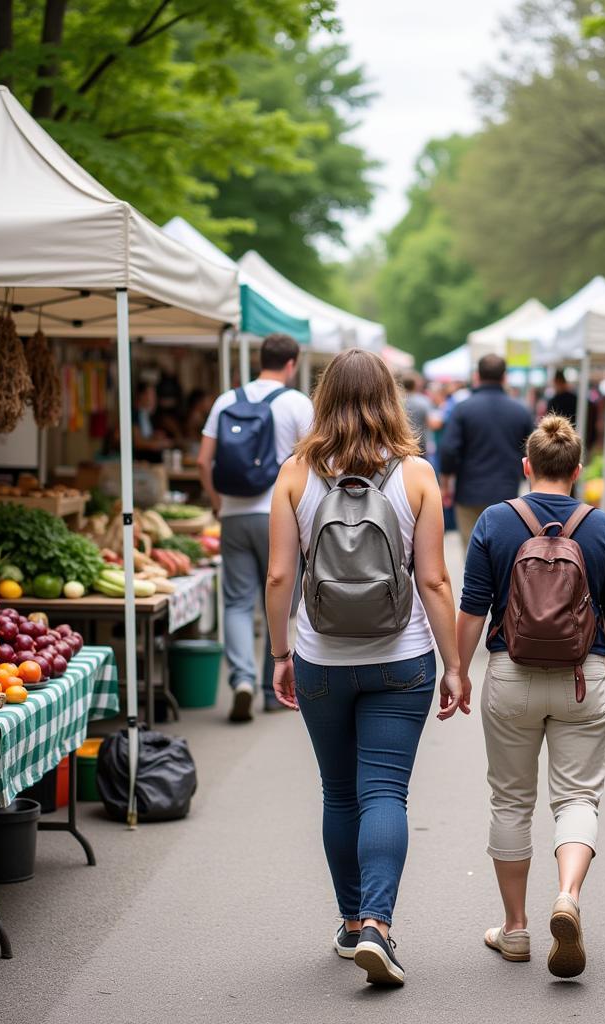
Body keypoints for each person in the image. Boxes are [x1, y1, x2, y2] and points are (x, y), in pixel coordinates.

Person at [265, 349, 467, 987]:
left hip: (321, 657)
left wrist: (278, 652)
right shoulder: (416, 475)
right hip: (402, 657)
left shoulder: (295, 473)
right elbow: (433, 579)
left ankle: (352, 923)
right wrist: (456, 665)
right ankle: (379, 925)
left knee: (339, 792)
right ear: (392, 398)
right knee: (385, 792)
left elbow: (278, 575)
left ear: (322, 399)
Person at [457, 415, 605, 979]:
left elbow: (472, 605)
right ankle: (568, 896)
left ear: (526, 466)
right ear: (577, 472)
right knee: (577, 798)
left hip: (510, 673)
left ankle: (514, 931)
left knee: (510, 801)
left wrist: (458, 670)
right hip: (583, 676)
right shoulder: (601, 526)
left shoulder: (495, 521)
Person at [197, 333, 313, 721]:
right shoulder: (297, 403)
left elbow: (203, 461)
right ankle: (271, 687)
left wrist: (218, 505)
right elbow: (316, 461)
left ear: (258, 360)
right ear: (291, 364)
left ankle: (241, 680)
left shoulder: (226, 400)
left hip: (233, 515)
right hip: (283, 518)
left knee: (236, 602)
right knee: (280, 600)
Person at [439, 354, 534, 550]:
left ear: (477, 376)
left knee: (472, 553)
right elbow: (533, 451)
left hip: (468, 493)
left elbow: (448, 450)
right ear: (505, 377)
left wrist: (445, 484)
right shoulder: (521, 410)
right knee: (503, 552)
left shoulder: (463, 409)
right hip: (507, 493)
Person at [402, 372, 440, 457]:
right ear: (415, 385)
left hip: (401, 443)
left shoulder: (397, 401)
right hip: (420, 443)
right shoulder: (423, 401)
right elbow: (432, 423)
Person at [131, 382, 170, 462]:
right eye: (151, 395)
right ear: (141, 396)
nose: (154, 399)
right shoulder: (133, 415)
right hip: (139, 460)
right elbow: (137, 443)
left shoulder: (148, 415)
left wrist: (154, 436)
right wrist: (158, 444)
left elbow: (146, 436)